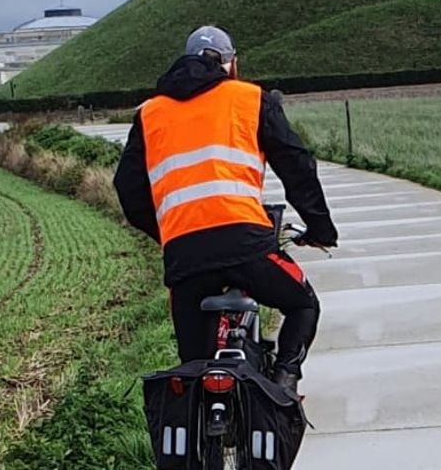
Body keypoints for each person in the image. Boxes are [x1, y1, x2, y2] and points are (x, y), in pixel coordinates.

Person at [114, 25, 338, 395]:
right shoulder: (250, 98)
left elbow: (128, 189)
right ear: (230, 64)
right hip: (246, 244)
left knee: (192, 369)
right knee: (304, 305)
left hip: (185, 256)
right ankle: (284, 382)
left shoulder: (149, 113)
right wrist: (320, 229)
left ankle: (197, 419)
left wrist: (170, 233)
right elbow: (297, 166)